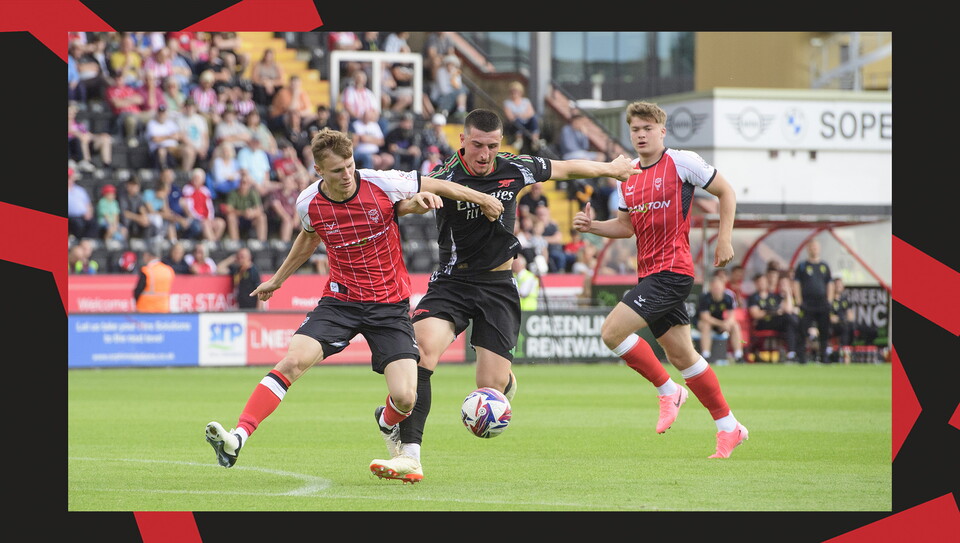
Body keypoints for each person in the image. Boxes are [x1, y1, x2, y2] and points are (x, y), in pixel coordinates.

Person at [203, 127, 503, 478]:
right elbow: (308, 236)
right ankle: (238, 437)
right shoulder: (308, 202)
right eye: (336, 171)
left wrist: (481, 199)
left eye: (349, 166)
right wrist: (278, 280)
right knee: (292, 362)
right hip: (340, 301)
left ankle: (386, 420)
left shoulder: (382, 181)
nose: (346, 175)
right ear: (319, 171)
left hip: (389, 307)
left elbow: (436, 184)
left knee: (406, 397)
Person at [375, 108, 640, 482]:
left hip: (498, 287)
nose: (485, 154)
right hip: (452, 283)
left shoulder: (516, 167)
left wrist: (611, 168)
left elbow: (564, 168)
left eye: (493, 146)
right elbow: (400, 201)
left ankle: (505, 380)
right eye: (478, 145)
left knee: (490, 389)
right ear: (463, 140)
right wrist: (415, 203)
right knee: (423, 351)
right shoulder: (444, 175)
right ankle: (411, 454)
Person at [572, 100, 748, 458]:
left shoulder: (681, 162)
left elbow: (726, 192)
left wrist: (724, 237)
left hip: (673, 273)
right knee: (684, 356)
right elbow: (624, 227)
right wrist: (592, 227)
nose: (640, 134)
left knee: (611, 332)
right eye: (635, 129)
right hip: (650, 274)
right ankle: (729, 427)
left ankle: (668, 390)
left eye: (647, 128)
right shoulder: (628, 177)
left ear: (661, 131)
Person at [793, 239, 834, 363]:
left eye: (815, 247)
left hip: (822, 303)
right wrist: (799, 300)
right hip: (807, 303)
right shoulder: (802, 266)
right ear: (808, 249)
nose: (814, 249)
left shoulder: (824, 266)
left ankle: (824, 357)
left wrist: (829, 300)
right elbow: (796, 283)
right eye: (811, 247)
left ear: (819, 249)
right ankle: (801, 357)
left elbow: (829, 284)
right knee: (803, 329)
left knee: (824, 331)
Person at [747, 272, 800, 362]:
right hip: (763, 323)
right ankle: (802, 330)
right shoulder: (754, 297)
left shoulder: (773, 296)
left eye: (764, 282)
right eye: (760, 282)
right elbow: (755, 314)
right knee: (790, 319)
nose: (762, 284)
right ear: (756, 284)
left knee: (789, 323)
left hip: (777, 322)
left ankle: (791, 354)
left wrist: (788, 293)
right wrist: (772, 312)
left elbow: (787, 309)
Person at [696, 273, 745, 364]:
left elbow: (732, 315)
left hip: (721, 322)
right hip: (706, 323)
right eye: (714, 287)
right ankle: (706, 355)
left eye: (718, 287)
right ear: (711, 287)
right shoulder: (705, 297)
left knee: (735, 325)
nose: (717, 290)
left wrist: (727, 323)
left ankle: (739, 355)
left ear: (723, 287)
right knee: (706, 325)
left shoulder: (729, 297)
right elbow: (705, 317)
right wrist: (721, 324)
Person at [180, 167, 227, 242]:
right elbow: (189, 207)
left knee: (221, 223)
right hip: (195, 218)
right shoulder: (187, 189)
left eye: (198, 178)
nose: (196, 180)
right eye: (195, 178)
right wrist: (201, 218)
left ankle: (215, 241)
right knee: (205, 224)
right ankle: (213, 243)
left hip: (206, 218)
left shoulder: (205, 190)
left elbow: (209, 206)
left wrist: (210, 218)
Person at [223, 170, 268, 242]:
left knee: (262, 217)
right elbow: (228, 209)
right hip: (238, 218)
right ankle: (235, 242)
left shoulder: (253, 193)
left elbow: (259, 208)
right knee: (230, 217)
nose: (243, 185)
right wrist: (242, 213)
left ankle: (262, 242)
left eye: (245, 183)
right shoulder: (233, 193)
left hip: (251, 218)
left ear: (249, 185)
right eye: (241, 183)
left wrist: (252, 213)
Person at [133, 247, 175, 313]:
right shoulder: (168, 270)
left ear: (147, 255)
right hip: (163, 308)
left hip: (146, 308)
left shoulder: (147, 270)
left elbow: (138, 290)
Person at [502, 81, 540, 151]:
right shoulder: (507, 103)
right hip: (514, 125)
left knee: (534, 119)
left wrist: (518, 115)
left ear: (521, 92)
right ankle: (519, 140)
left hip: (526, 123)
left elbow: (531, 113)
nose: (514, 93)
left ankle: (535, 140)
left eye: (516, 91)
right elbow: (510, 117)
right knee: (517, 120)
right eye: (512, 91)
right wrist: (523, 115)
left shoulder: (526, 101)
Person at [68, 167, 99, 240]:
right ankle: (80, 241)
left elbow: (88, 203)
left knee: (93, 223)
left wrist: (89, 212)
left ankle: (88, 241)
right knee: (78, 224)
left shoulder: (80, 190)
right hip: (71, 216)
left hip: (83, 215)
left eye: (70, 177)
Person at [829, 277, 856, 363]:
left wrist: (842, 318)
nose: (839, 287)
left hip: (843, 323)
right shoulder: (829, 300)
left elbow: (850, 316)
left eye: (840, 285)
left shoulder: (845, 300)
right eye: (837, 285)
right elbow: (831, 318)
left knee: (852, 326)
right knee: (844, 326)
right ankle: (845, 352)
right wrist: (842, 318)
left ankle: (847, 350)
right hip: (832, 326)